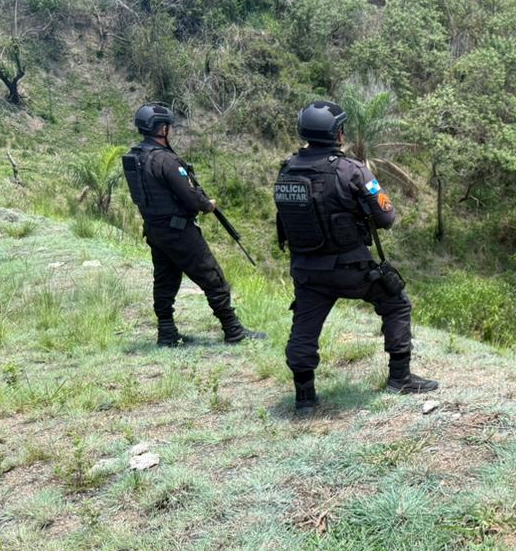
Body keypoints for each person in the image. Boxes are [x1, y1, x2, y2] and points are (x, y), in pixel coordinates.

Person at [275, 101, 438, 411]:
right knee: (396, 301)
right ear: (338, 133)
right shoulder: (352, 170)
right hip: (351, 268)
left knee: (304, 327)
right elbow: (386, 218)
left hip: (307, 271)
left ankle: (305, 398)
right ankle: (400, 377)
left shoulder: (287, 170)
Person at [122, 104, 265, 347]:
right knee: (213, 278)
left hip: (154, 230)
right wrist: (208, 205)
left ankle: (166, 333)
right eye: (170, 127)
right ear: (163, 128)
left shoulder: (136, 157)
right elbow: (190, 197)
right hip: (178, 230)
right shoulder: (165, 160)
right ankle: (233, 331)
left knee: (165, 280)